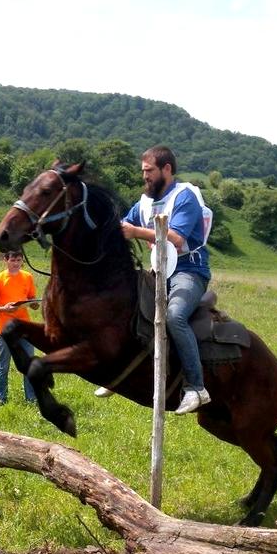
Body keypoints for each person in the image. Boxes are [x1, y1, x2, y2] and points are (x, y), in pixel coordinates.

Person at [105, 145, 212, 414]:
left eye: (149, 171)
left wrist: (136, 232)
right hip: (158, 271)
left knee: (174, 316)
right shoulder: (144, 202)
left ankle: (196, 387)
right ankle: (117, 372)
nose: (145, 177)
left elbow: (176, 238)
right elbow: (123, 227)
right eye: (143, 171)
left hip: (188, 271)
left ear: (166, 169)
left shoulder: (185, 196)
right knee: (121, 304)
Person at [0, 250, 40, 405]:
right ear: (6, 260)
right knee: (3, 366)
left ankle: (31, 399)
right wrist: (3, 309)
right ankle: (1, 399)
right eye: (13, 260)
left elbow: (31, 299)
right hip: (6, 330)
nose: (16, 264)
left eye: (19, 260)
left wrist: (34, 304)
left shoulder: (27, 277)